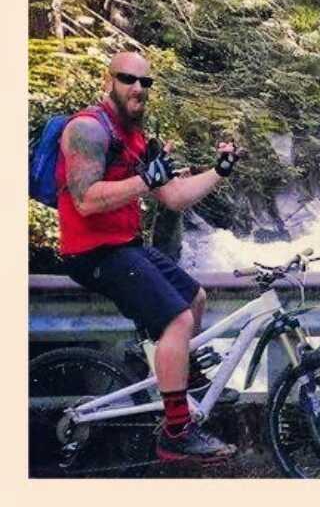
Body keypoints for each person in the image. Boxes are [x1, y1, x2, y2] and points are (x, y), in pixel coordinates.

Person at [56, 51, 242, 464]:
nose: (138, 87)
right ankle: (176, 431)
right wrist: (145, 179)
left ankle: (185, 381)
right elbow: (85, 200)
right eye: (127, 79)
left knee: (194, 298)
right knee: (177, 320)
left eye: (145, 82)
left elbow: (172, 197)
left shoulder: (135, 137)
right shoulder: (87, 129)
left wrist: (219, 171)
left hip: (125, 246)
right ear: (108, 82)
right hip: (91, 253)